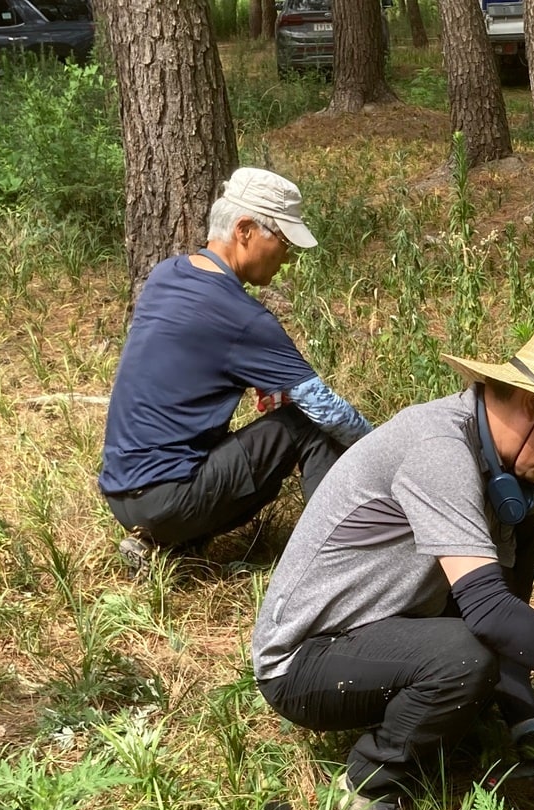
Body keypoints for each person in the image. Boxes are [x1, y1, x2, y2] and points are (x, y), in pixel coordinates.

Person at [251, 327, 534, 810]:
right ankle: (366, 785)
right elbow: (490, 616)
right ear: (532, 406)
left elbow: (505, 624)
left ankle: (450, 723)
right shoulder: (439, 449)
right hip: (303, 661)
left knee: (475, 650)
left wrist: (527, 723)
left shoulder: (509, 498)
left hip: (378, 637)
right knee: (463, 657)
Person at [98, 167, 372, 572]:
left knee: (254, 438)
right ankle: (338, 560)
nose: (288, 256)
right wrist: (385, 450)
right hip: (168, 497)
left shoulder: (166, 275)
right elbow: (328, 411)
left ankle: (167, 546)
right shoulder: (244, 319)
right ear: (244, 230)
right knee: (308, 423)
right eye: (282, 240)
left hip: (123, 493)